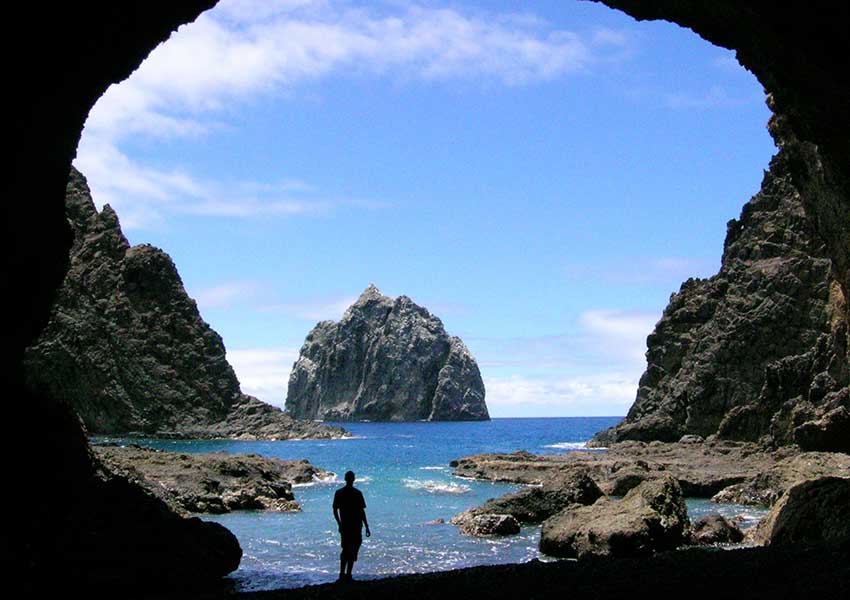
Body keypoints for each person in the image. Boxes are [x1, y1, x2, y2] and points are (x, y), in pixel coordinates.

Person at [333, 470, 371, 582]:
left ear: (345, 479)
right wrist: (367, 526)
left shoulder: (339, 493)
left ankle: (342, 574)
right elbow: (362, 512)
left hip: (346, 526)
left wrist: (339, 523)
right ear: (353, 479)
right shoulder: (357, 493)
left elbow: (335, 510)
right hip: (356, 525)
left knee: (346, 549)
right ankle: (347, 574)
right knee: (353, 549)